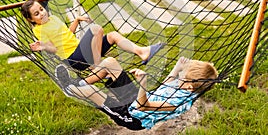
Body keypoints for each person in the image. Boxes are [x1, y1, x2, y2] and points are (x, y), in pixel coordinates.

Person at [56, 56, 218, 130]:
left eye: (183, 74)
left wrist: (143, 84)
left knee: (92, 92)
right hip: (137, 100)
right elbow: (165, 86)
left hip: (133, 115)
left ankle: (70, 89)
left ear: (190, 86)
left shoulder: (178, 104)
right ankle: (78, 83)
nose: (180, 76)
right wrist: (177, 69)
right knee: (110, 63)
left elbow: (142, 106)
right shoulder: (184, 84)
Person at [21, 0, 165, 71]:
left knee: (113, 35)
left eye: (41, 9)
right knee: (96, 29)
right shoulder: (39, 30)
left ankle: (142, 52)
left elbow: (67, 35)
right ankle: (97, 67)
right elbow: (54, 49)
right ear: (30, 19)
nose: (42, 13)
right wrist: (44, 46)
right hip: (74, 59)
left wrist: (76, 21)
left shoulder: (53, 19)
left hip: (82, 51)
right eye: (36, 13)